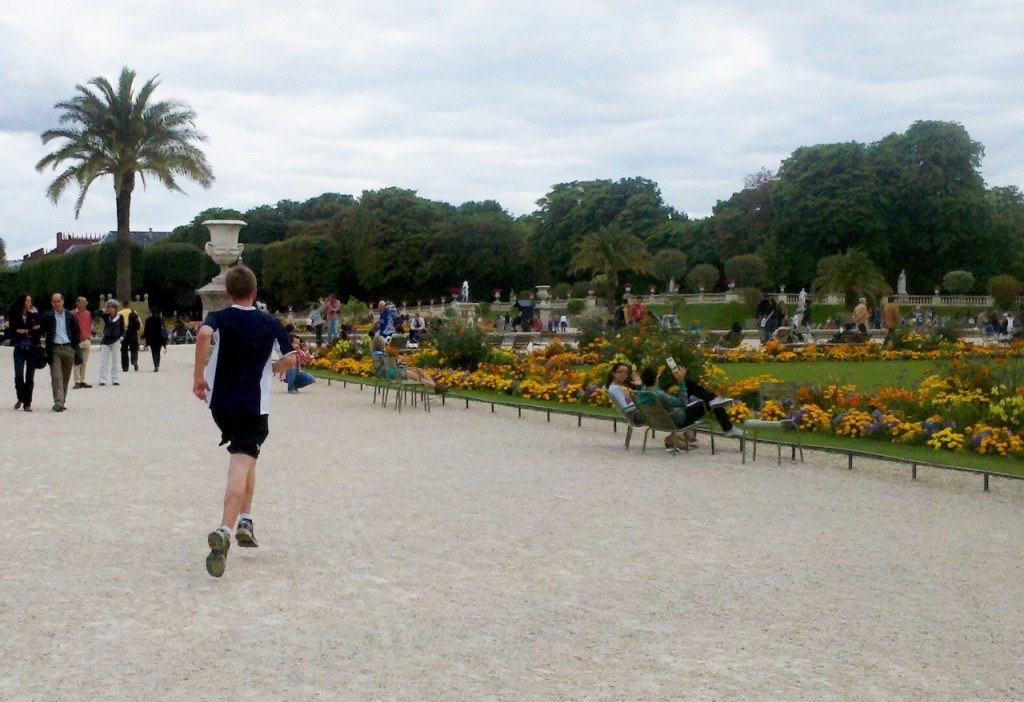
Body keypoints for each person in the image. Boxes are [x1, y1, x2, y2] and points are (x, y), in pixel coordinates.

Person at [193, 265, 297, 578]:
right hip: (253, 407)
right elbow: (291, 359)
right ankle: (225, 529)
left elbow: (203, 334)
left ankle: (246, 521)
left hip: (221, 406)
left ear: (228, 293)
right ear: (254, 291)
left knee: (247, 456)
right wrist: (275, 365)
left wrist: (198, 377)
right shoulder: (269, 323)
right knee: (241, 463)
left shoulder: (221, 317)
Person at [638, 365, 743, 437]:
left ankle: (713, 398)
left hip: (661, 420)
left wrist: (683, 383)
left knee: (690, 384)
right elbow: (683, 403)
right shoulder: (659, 395)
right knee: (712, 403)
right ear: (656, 379)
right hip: (678, 419)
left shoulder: (642, 393)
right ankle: (728, 428)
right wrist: (680, 381)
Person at [39, 292, 81, 412]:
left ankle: (62, 400)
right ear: (51, 303)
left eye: (58, 301)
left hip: (68, 348)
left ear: (62, 301)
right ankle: (58, 402)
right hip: (54, 349)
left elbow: (76, 331)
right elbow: (41, 330)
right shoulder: (47, 317)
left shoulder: (70, 316)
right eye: (54, 301)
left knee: (65, 377)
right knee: (57, 376)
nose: (56, 304)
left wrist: (74, 347)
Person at [370, 332, 449, 393]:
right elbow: (388, 364)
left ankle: (437, 387)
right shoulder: (377, 354)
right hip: (387, 373)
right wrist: (398, 360)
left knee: (419, 371)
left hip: (392, 370)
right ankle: (436, 387)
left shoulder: (379, 353)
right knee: (413, 375)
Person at [7, 293, 41, 412]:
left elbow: (38, 331)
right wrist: (30, 330)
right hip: (19, 348)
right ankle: (21, 396)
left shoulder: (33, 315)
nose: (29, 303)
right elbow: (13, 332)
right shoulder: (15, 316)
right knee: (18, 375)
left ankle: (27, 402)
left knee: (30, 376)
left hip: (32, 348)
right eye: (27, 301)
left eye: (30, 301)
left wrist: (25, 331)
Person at [97, 300, 124, 386]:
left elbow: (123, 329)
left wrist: (122, 337)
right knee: (104, 361)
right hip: (106, 340)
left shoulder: (120, 317)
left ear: (116, 308)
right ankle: (102, 379)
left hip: (116, 340)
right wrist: (102, 310)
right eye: (109, 307)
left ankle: (115, 379)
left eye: (112, 307)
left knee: (115, 361)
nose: (110, 309)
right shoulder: (106, 316)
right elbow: (96, 313)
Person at [71, 296, 93, 389]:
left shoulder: (88, 313)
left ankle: (82, 380)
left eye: (85, 302)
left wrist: (89, 336)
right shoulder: (72, 314)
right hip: (77, 340)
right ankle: (77, 381)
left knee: (84, 361)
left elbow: (89, 325)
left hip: (86, 339)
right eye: (83, 302)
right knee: (77, 361)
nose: (85, 304)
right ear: (77, 303)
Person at [143, 307, 167, 371]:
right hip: (159, 338)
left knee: (153, 352)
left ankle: (155, 365)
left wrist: (144, 336)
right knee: (158, 352)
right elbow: (163, 329)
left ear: (151, 312)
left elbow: (146, 330)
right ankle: (157, 363)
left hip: (151, 338)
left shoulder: (148, 320)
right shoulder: (160, 320)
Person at [120, 302, 141, 372]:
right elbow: (139, 324)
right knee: (134, 349)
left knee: (124, 350)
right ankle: (134, 361)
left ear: (123, 306)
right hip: (133, 333)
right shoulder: (134, 312)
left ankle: (125, 367)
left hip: (124, 333)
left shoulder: (120, 313)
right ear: (128, 306)